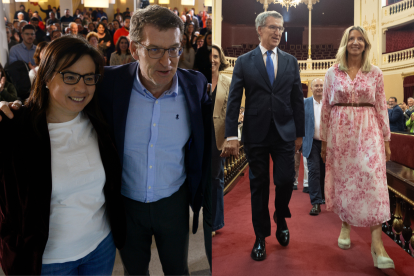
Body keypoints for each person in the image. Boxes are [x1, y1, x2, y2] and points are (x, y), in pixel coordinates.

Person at [0, 35, 126, 275]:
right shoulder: (16, 128)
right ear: (46, 76)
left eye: (89, 78)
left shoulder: (99, 122)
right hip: (47, 260)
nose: (82, 88)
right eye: (70, 77)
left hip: (100, 248)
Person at [222, 10, 304, 261]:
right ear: (259, 30)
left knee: (284, 180)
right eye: (272, 27)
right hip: (255, 133)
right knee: (258, 187)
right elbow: (234, 100)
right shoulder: (244, 61)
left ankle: (281, 215)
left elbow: (297, 101)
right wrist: (231, 135)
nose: (278, 32)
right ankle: (260, 236)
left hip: (285, 132)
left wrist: (300, 133)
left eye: (280, 28)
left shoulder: (291, 61)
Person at [320, 26, 394, 269]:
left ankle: (377, 245)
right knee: (345, 181)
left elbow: (382, 106)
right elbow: (326, 110)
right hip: (340, 136)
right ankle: (345, 224)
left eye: (360, 39)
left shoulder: (375, 73)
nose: (355, 42)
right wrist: (324, 140)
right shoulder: (332, 73)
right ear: (345, 43)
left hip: (369, 131)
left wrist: (386, 139)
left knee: (374, 182)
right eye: (351, 38)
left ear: (366, 44)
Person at [211, 44, 230, 237]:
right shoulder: (198, 78)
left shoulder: (227, 82)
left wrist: (229, 138)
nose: (212, 60)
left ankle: (215, 222)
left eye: (216, 56)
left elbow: (230, 113)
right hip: (199, 136)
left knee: (216, 180)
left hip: (218, 138)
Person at [302, 78, 325, 216]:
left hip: (328, 143)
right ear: (311, 88)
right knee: (314, 171)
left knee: (325, 172)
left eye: (321, 85)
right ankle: (316, 202)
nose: (319, 88)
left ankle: (324, 197)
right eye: (316, 85)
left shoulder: (330, 102)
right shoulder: (305, 103)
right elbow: (299, 121)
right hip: (312, 143)